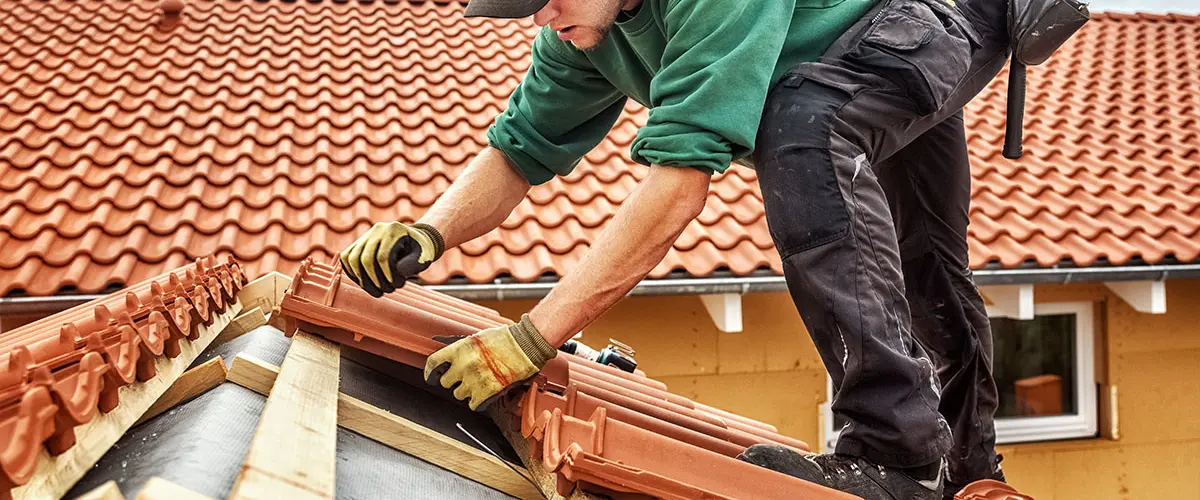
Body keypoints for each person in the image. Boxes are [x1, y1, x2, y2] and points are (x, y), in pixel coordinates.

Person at [338, 0, 1013, 497]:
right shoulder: (583, 30)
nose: (541, 15)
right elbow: (519, 150)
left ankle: (897, 457)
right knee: (926, 260)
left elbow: (678, 188)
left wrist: (532, 338)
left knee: (803, 128)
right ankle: (968, 471)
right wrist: (429, 230)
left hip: (933, 19)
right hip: (861, 54)